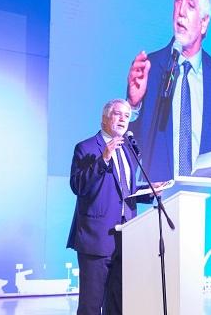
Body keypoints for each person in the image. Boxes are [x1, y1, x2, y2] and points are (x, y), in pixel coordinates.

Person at [126, 0, 211, 182]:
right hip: (159, 208)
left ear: (204, 22)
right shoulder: (150, 69)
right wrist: (133, 105)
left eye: (191, 4)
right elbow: (129, 155)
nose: (181, 12)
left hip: (203, 207)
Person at [67, 99, 153, 315]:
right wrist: (103, 158)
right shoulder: (86, 148)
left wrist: (149, 191)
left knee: (118, 305)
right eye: (118, 114)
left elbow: (123, 190)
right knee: (91, 306)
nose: (124, 119)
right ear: (105, 118)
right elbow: (78, 186)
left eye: (127, 115)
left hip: (126, 238)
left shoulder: (128, 151)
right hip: (97, 239)